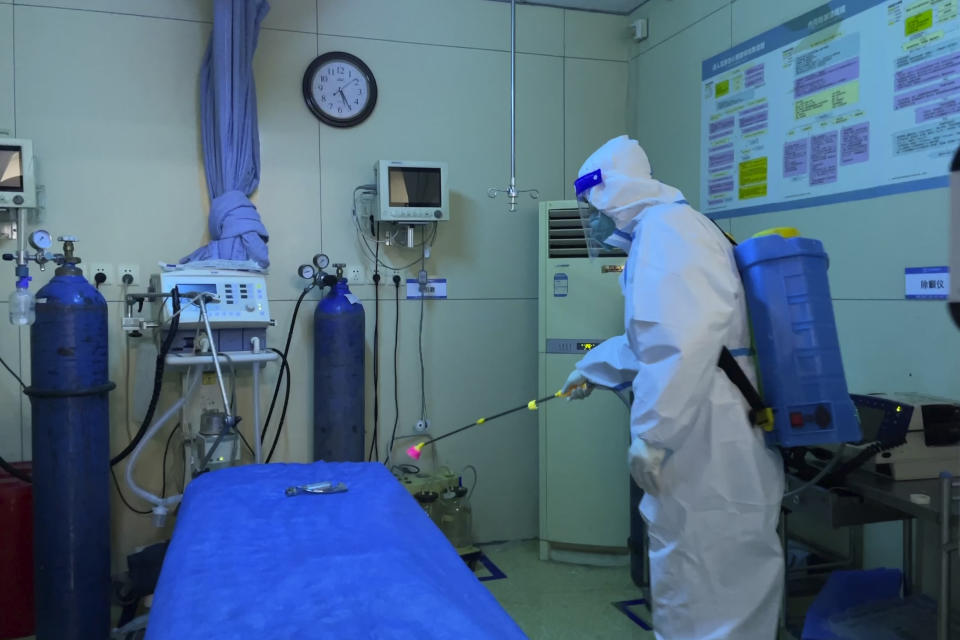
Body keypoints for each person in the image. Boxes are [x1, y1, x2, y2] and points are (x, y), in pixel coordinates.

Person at [562, 135, 784, 640]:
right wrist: (592, 368)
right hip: (707, 418)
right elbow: (657, 336)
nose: (592, 220)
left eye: (592, 205)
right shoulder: (669, 231)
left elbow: (678, 344)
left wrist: (653, 436)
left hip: (707, 430)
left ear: (614, 191)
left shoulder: (669, 232)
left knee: (710, 578)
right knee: (697, 572)